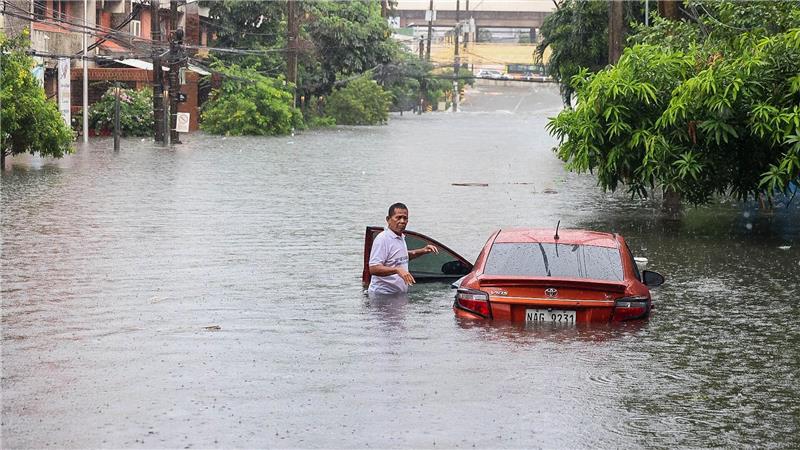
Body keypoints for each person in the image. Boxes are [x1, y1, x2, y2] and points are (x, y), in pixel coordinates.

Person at [367, 203, 438, 295]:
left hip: (398, 295)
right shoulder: (383, 239)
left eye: (405, 218)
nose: (402, 221)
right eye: (398, 217)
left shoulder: (400, 237)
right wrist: (397, 270)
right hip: (382, 295)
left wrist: (423, 250)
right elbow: (373, 268)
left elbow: (401, 257)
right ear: (388, 219)